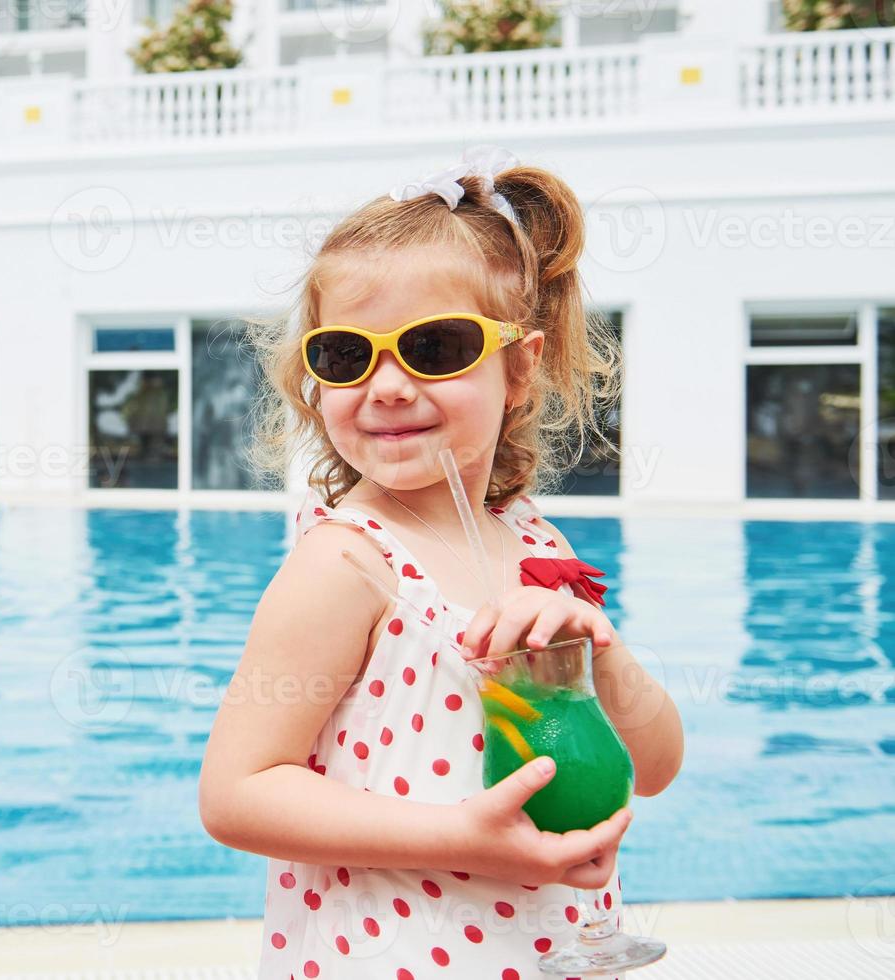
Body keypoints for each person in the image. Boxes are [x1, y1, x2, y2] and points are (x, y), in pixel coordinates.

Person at [197, 146, 685, 978]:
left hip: (539, 952)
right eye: (346, 355)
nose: (385, 384)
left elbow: (655, 767)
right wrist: (461, 840)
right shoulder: (346, 564)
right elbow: (235, 793)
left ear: (520, 366)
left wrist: (603, 654)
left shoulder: (535, 541)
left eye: (436, 345)